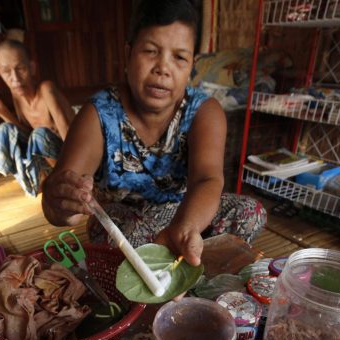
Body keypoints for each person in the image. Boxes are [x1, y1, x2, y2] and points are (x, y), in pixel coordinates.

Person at [41, 0, 265, 267]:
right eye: (150, 51)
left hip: (186, 213)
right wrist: (60, 204)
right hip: (125, 223)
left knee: (250, 212)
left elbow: (207, 179)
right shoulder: (98, 113)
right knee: (125, 233)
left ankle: (192, 273)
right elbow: (66, 200)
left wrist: (184, 227)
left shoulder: (204, 111)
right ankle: (166, 277)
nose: (163, 68)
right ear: (128, 54)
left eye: (179, 57)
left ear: (191, 66)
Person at [0, 39, 75, 197]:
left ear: (32, 67)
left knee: (40, 134)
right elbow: (26, 137)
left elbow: (69, 133)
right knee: (4, 129)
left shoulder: (46, 89)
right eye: (7, 71)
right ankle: (36, 181)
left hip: (68, 159)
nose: (15, 78)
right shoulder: (17, 96)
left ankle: (61, 182)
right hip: (45, 161)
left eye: (20, 68)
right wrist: (1, 110)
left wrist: (77, 174)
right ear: (0, 73)